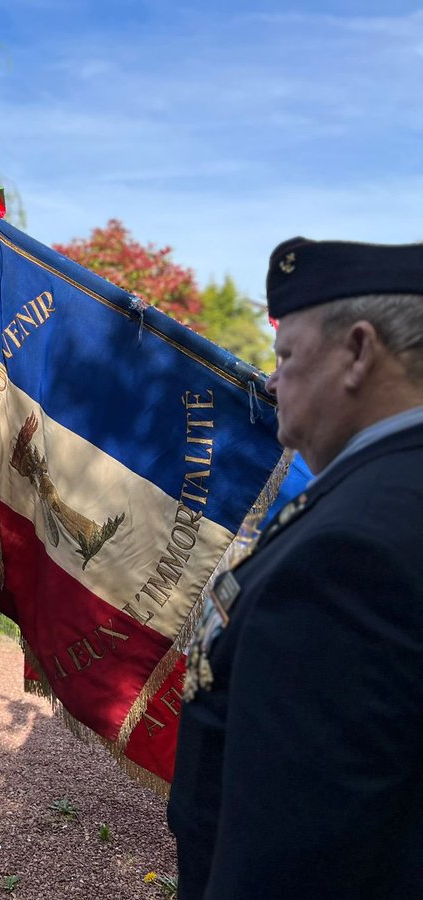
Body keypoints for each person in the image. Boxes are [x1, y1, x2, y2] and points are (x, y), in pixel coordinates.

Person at [168, 238, 423, 900]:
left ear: (359, 352)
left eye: (285, 355)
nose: (272, 380)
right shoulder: (385, 491)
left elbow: (298, 855)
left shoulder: (352, 555)